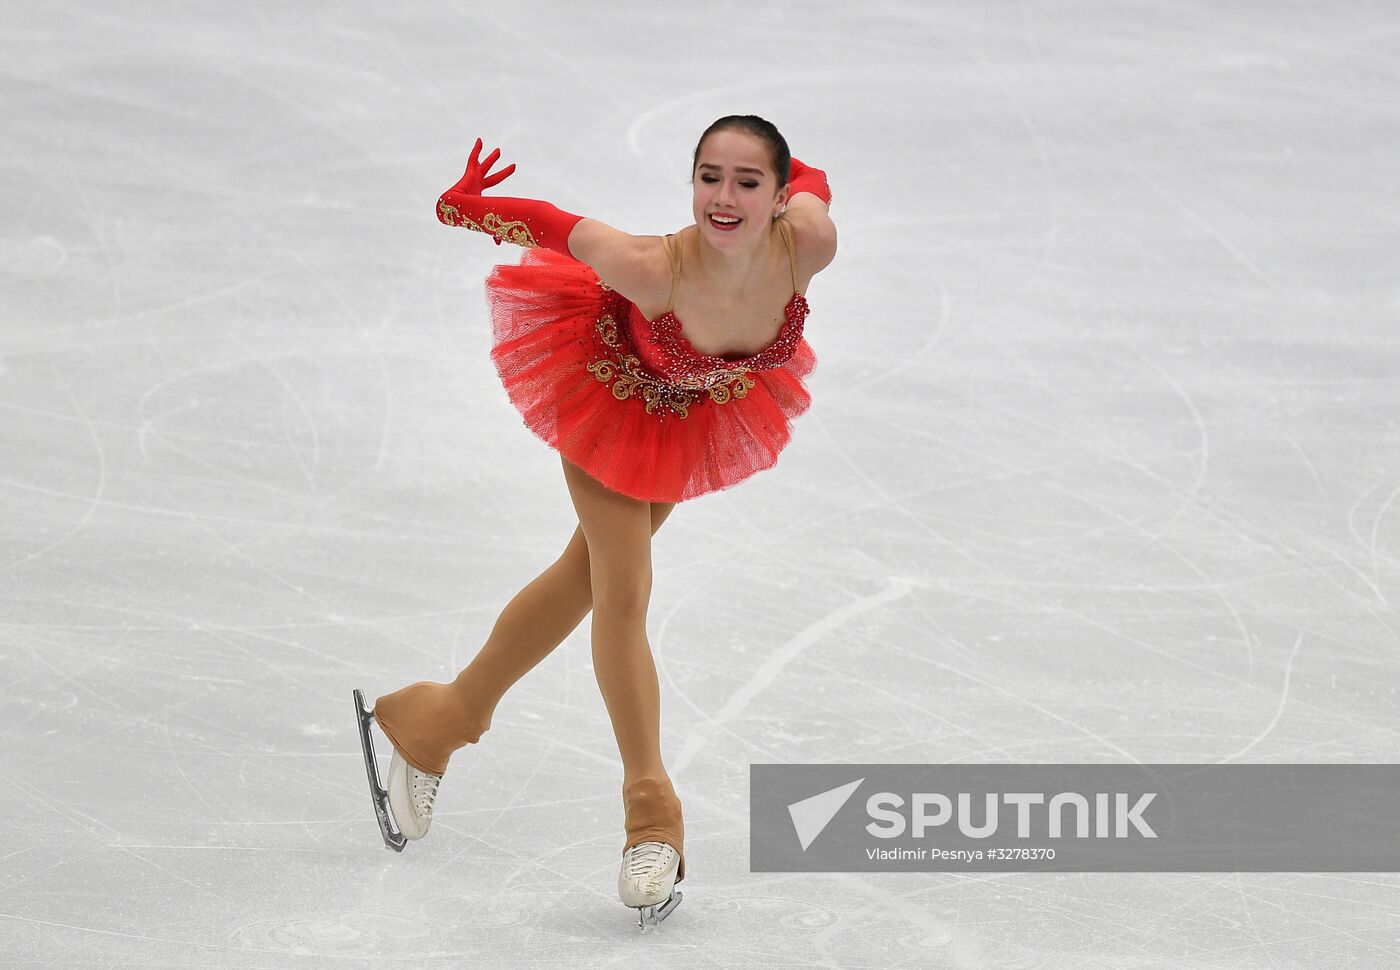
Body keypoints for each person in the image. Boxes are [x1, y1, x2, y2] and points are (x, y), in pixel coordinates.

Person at [353, 114, 836, 928]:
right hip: (607, 390)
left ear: (780, 197)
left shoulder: (808, 245)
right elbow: (551, 227)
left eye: (748, 182)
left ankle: (435, 720)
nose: (723, 197)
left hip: (686, 411)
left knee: (584, 578)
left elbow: (817, 184)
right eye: (708, 177)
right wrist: (463, 206)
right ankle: (652, 815)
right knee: (622, 595)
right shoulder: (651, 267)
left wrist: (793, 176)